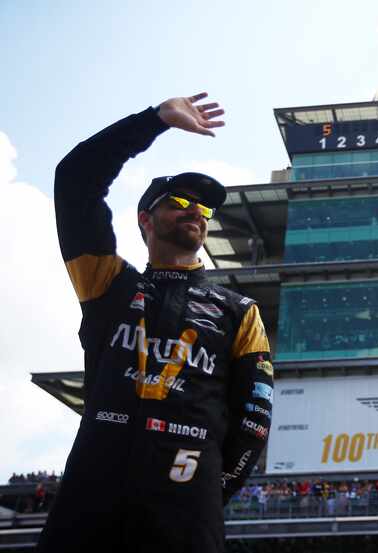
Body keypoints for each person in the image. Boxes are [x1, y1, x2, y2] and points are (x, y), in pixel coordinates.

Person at [37, 93, 273, 553]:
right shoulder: (105, 281)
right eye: (180, 200)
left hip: (187, 510)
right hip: (91, 498)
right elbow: (75, 180)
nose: (194, 211)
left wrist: (207, 487)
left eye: (204, 209)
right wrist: (155, 120)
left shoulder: (240, 311)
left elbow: (254, 419)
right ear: (145, 218)